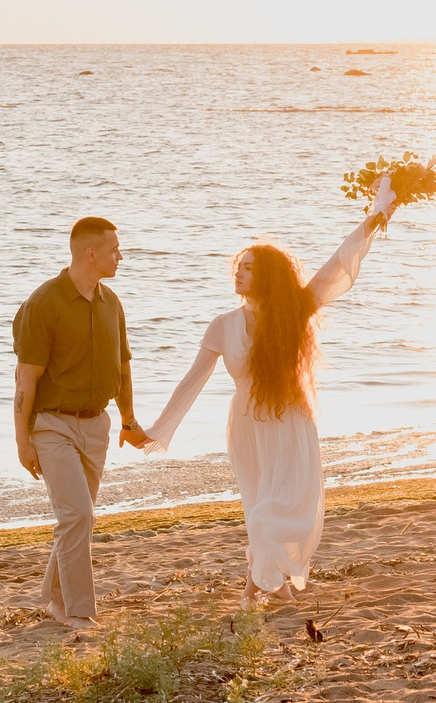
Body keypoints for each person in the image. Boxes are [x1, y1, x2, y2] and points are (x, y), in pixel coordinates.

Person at [141, 178, 397, 608]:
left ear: (267, 276)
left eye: (248, 267)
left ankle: (252, 590)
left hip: (291, 419)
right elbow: (191, 382)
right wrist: (155, 431)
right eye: (237, 266)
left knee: (273, 512)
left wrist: (377, 215)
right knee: (257, 508)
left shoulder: (295, 310)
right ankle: (273, 587)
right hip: (246, 425)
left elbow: (339, 263)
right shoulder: (223, 325)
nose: (237, 273)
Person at [11, 216, 152, 631]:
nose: (120, 256)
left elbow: (122, 367)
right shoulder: (43, 304)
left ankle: (53, 600)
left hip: (97, 426)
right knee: (78, 517)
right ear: (90, 254)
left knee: (79, 516)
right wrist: (22, 441)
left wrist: (129, 419)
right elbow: (25, 381)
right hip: (52, 426)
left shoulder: (112, 302)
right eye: (114, 250)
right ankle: (79, 612)